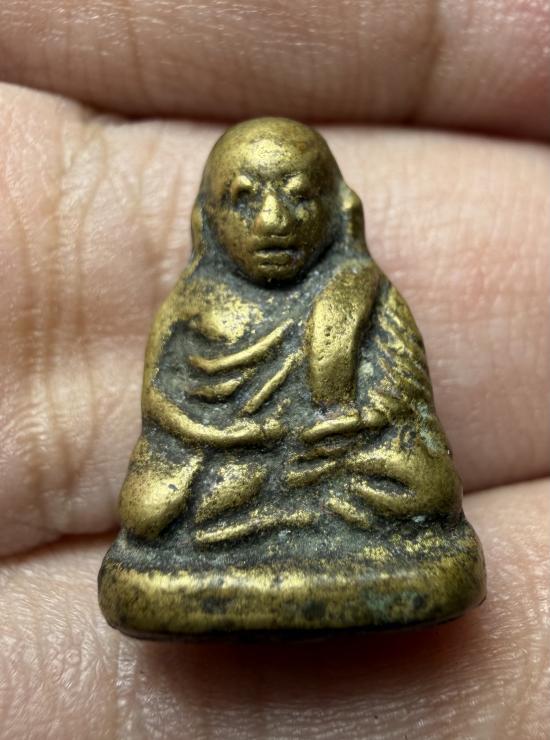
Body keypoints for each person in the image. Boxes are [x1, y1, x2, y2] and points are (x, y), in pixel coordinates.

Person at [0, 1, 548, 737]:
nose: (274, 223)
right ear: (208, 220)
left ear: (338, 210)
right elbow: (164, 414)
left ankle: (269, 524)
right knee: (152, 508)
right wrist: (219, 438)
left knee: (423, 486)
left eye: (298, 196)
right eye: (245, 199)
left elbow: (402, 409)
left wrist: (351, 428)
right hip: (229, 466)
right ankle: (266, 521)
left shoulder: (363, 295)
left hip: (339, 462)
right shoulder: (192, 305)